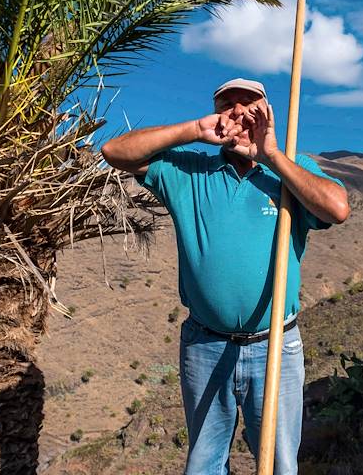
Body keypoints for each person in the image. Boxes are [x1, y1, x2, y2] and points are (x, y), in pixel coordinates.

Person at [101, 78, 350, 474]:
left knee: (280, 465)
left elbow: (337, 208)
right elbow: (114, 151)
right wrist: (195, 131)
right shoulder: (189, 170)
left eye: (248, 104)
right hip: (205, 346)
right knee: (203, 464)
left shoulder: (291, 171)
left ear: (266, 113)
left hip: (276, 347)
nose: (237, 112)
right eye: (227, 105)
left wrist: (272, 157)